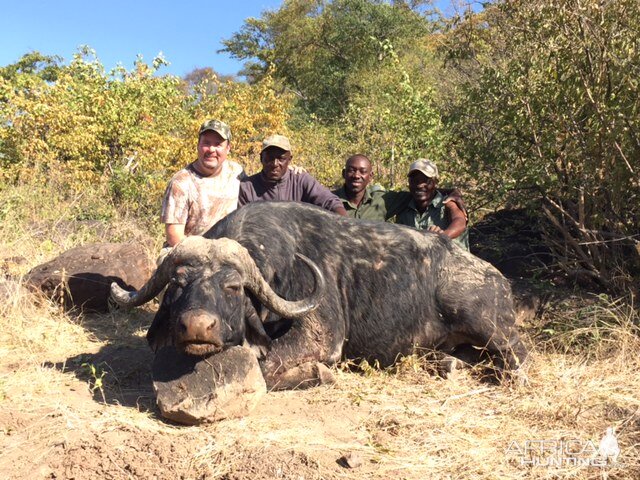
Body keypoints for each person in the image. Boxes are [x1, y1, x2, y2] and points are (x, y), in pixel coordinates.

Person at [160, 119, 243, 251]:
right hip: (190, 252)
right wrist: (206, 255)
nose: (211, 149)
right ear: (198, 145)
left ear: (228, 148)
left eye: (218, 144)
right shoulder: (181, 182)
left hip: (228, 251)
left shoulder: (237, 172)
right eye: (206, 143)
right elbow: (173, 236)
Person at [333, 154, 467, 225]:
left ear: (371, 176)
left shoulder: (383, 200)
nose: (356, 176)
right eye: (352, 171)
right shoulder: (327, 201)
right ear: (344, 173)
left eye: (362, 171)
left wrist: (451, 192)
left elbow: (422, 191)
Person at [238, 134, 347, 216]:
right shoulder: (247, 187)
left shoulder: (300, 179)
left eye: (281, 159)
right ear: (261, 158)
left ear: (289, 159)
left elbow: (330, 202)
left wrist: (346, 224)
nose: (275, 164)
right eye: (270, 158)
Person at [394, 159, 469, 250]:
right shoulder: (403, 208)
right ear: (409, 183)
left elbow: (460, 222)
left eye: (426, 181)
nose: (420, 185)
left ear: (435, 183)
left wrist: (442, 237)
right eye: (415, 181)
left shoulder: (448, 202)